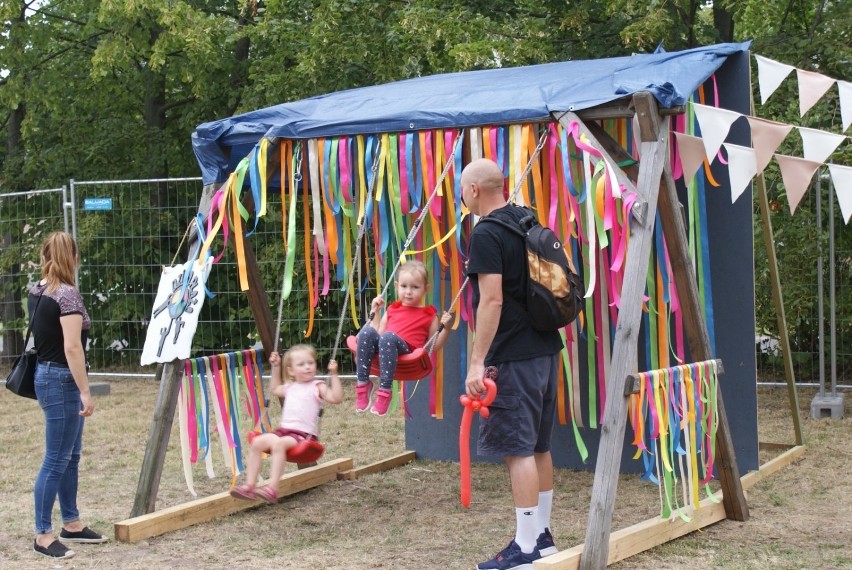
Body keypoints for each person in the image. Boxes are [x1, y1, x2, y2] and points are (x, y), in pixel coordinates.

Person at [462, 158, 565, 570]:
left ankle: (524, 549)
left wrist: (476, 362)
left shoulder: (486, 233)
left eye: (462, 188)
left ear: (473, 190)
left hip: (514, 356)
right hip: (545, 348)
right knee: (538, 446)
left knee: (516, 450)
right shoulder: (525, 219)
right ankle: (542, 536)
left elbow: (492, 300)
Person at [29, 232, 108, 560]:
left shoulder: (37, 289)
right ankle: (43, 534)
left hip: (46, 375)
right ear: (70, 257)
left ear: (47, 254)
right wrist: (85, 391)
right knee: (56, 459)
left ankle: (71, 523)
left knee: (69, 456)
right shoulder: (69, 296)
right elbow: (72, 347)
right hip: (63, 381)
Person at [230, 344, 343, 503]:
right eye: (301, 364)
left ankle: (272, 489)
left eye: (310, 363)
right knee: (256, 442)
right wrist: (276, 367)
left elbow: (336, 398)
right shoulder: (291, 387)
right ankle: (249, 486)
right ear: (291, 370)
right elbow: (275, 388)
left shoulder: (318, 386)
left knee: (279, 445)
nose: (307, 367)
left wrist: (334, 375)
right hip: (282, 431)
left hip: (302, 436)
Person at [354, 259, 453, 416]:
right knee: (366, 333)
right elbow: (378, 333)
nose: (408, 292)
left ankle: (385, 391)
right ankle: (363, 385)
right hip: (386, 345)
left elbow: (434, 345)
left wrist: (446, 328)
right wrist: (376, 312)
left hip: (408, 352)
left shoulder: (429, 315)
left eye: (415, 287)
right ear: (396, 286)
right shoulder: (392, 309)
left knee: (388, 337)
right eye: (404, 286)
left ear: (426, 289)